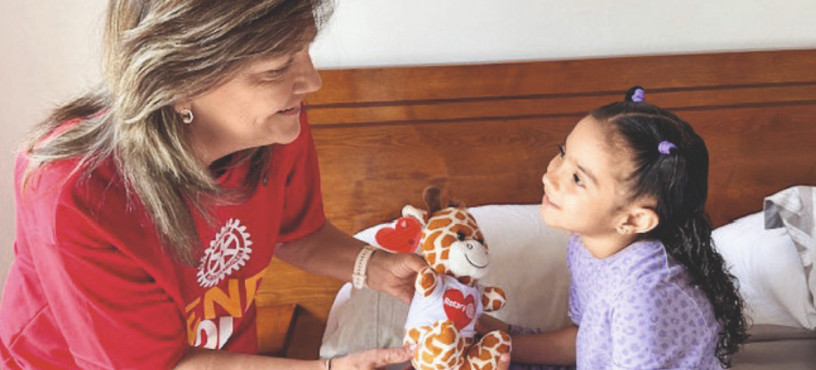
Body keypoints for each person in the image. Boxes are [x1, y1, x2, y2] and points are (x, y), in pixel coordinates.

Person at [0, 1, 512, 369]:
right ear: (179, 82)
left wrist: (376, 267)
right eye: (276, 68)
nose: (311, 81)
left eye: (305, 52)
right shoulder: (75, 193)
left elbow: (296, 232)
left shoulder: (276, 124)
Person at [477, 87, 748, 369]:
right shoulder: (587, 244)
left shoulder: (647, 293)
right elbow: (583, 342)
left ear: (634, 220)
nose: (549, 176)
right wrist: (502, 339)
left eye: (577, 178)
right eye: (562, 152)